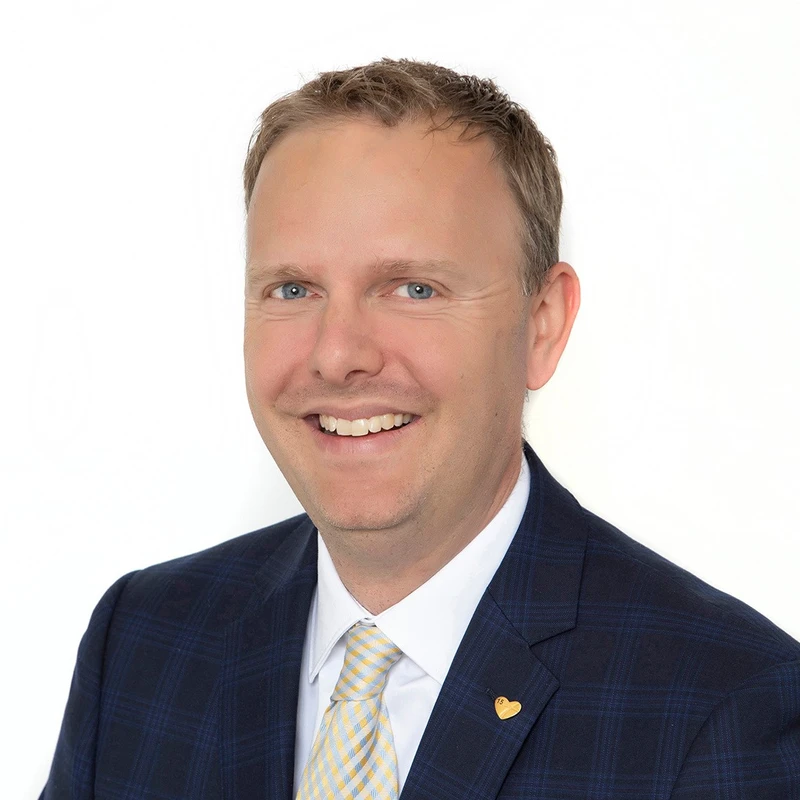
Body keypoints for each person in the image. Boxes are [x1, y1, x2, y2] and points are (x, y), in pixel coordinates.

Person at [41, 58, 800, 799]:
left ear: (542, 326)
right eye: (293, 287)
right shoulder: (142, 643)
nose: (338, 355)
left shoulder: (727, 705)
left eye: (413, 287)